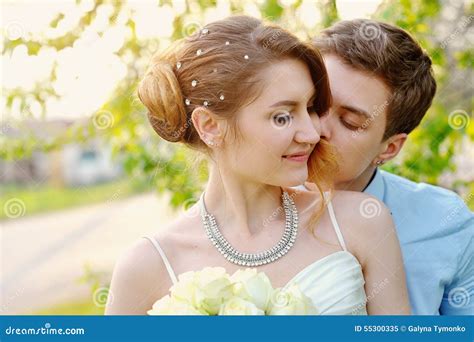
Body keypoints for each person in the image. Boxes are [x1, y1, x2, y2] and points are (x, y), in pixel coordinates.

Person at [105, 15, 410, 315]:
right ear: (209, 126)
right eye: (283, 116)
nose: (313, 133)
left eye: (309, 108)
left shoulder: (360, 222)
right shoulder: (147, 265)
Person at [313, 18, 473, 315]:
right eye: (314, 104)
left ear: (389, 148)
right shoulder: (251, 204)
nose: (319, 128)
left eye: (350, 122)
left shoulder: (447, 223)